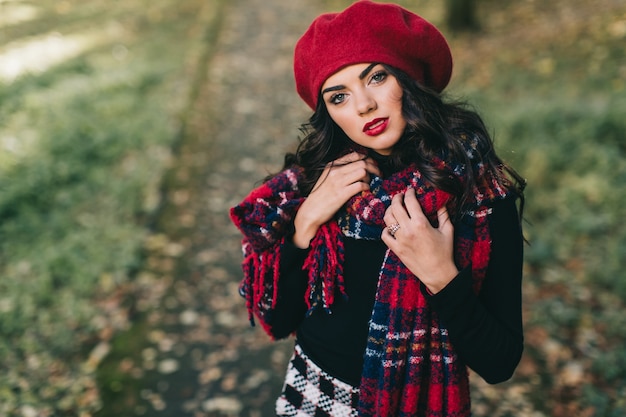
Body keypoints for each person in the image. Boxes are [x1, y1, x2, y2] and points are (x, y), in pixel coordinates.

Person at [229, 1, 526, 416]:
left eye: (377, 77)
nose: (364, 105)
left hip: (411, 405)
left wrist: (441, 275)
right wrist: (306, 221)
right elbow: (276, 319)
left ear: (410, 79)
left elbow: (500, 362)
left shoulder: (477, 194)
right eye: (339, 96)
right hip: (312, 397)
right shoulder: (316, 180)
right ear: (329, 113)